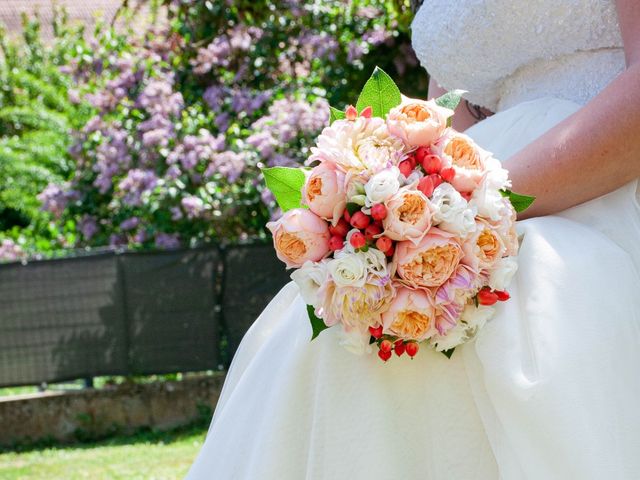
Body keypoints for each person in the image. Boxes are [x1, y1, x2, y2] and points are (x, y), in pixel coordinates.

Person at [186, 0, 640, 478]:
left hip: (599, 185)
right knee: (340, 343)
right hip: (476, 179)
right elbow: (456, 108)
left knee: (526, 306)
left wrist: (473, 209)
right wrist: (401, 197)